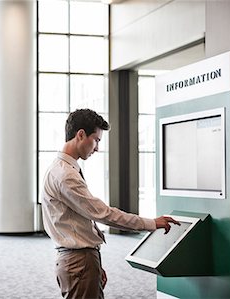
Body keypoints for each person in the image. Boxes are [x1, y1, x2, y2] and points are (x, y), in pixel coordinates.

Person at [41, 108, 179, 299]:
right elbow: (104, 214)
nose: (97, 148)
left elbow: (79, 221)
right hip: (78, 262)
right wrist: (151, 223)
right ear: (81, 134)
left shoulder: (59, 168)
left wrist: (94, 264)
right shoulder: (66, 175)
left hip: (79, 260)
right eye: (96, 140)